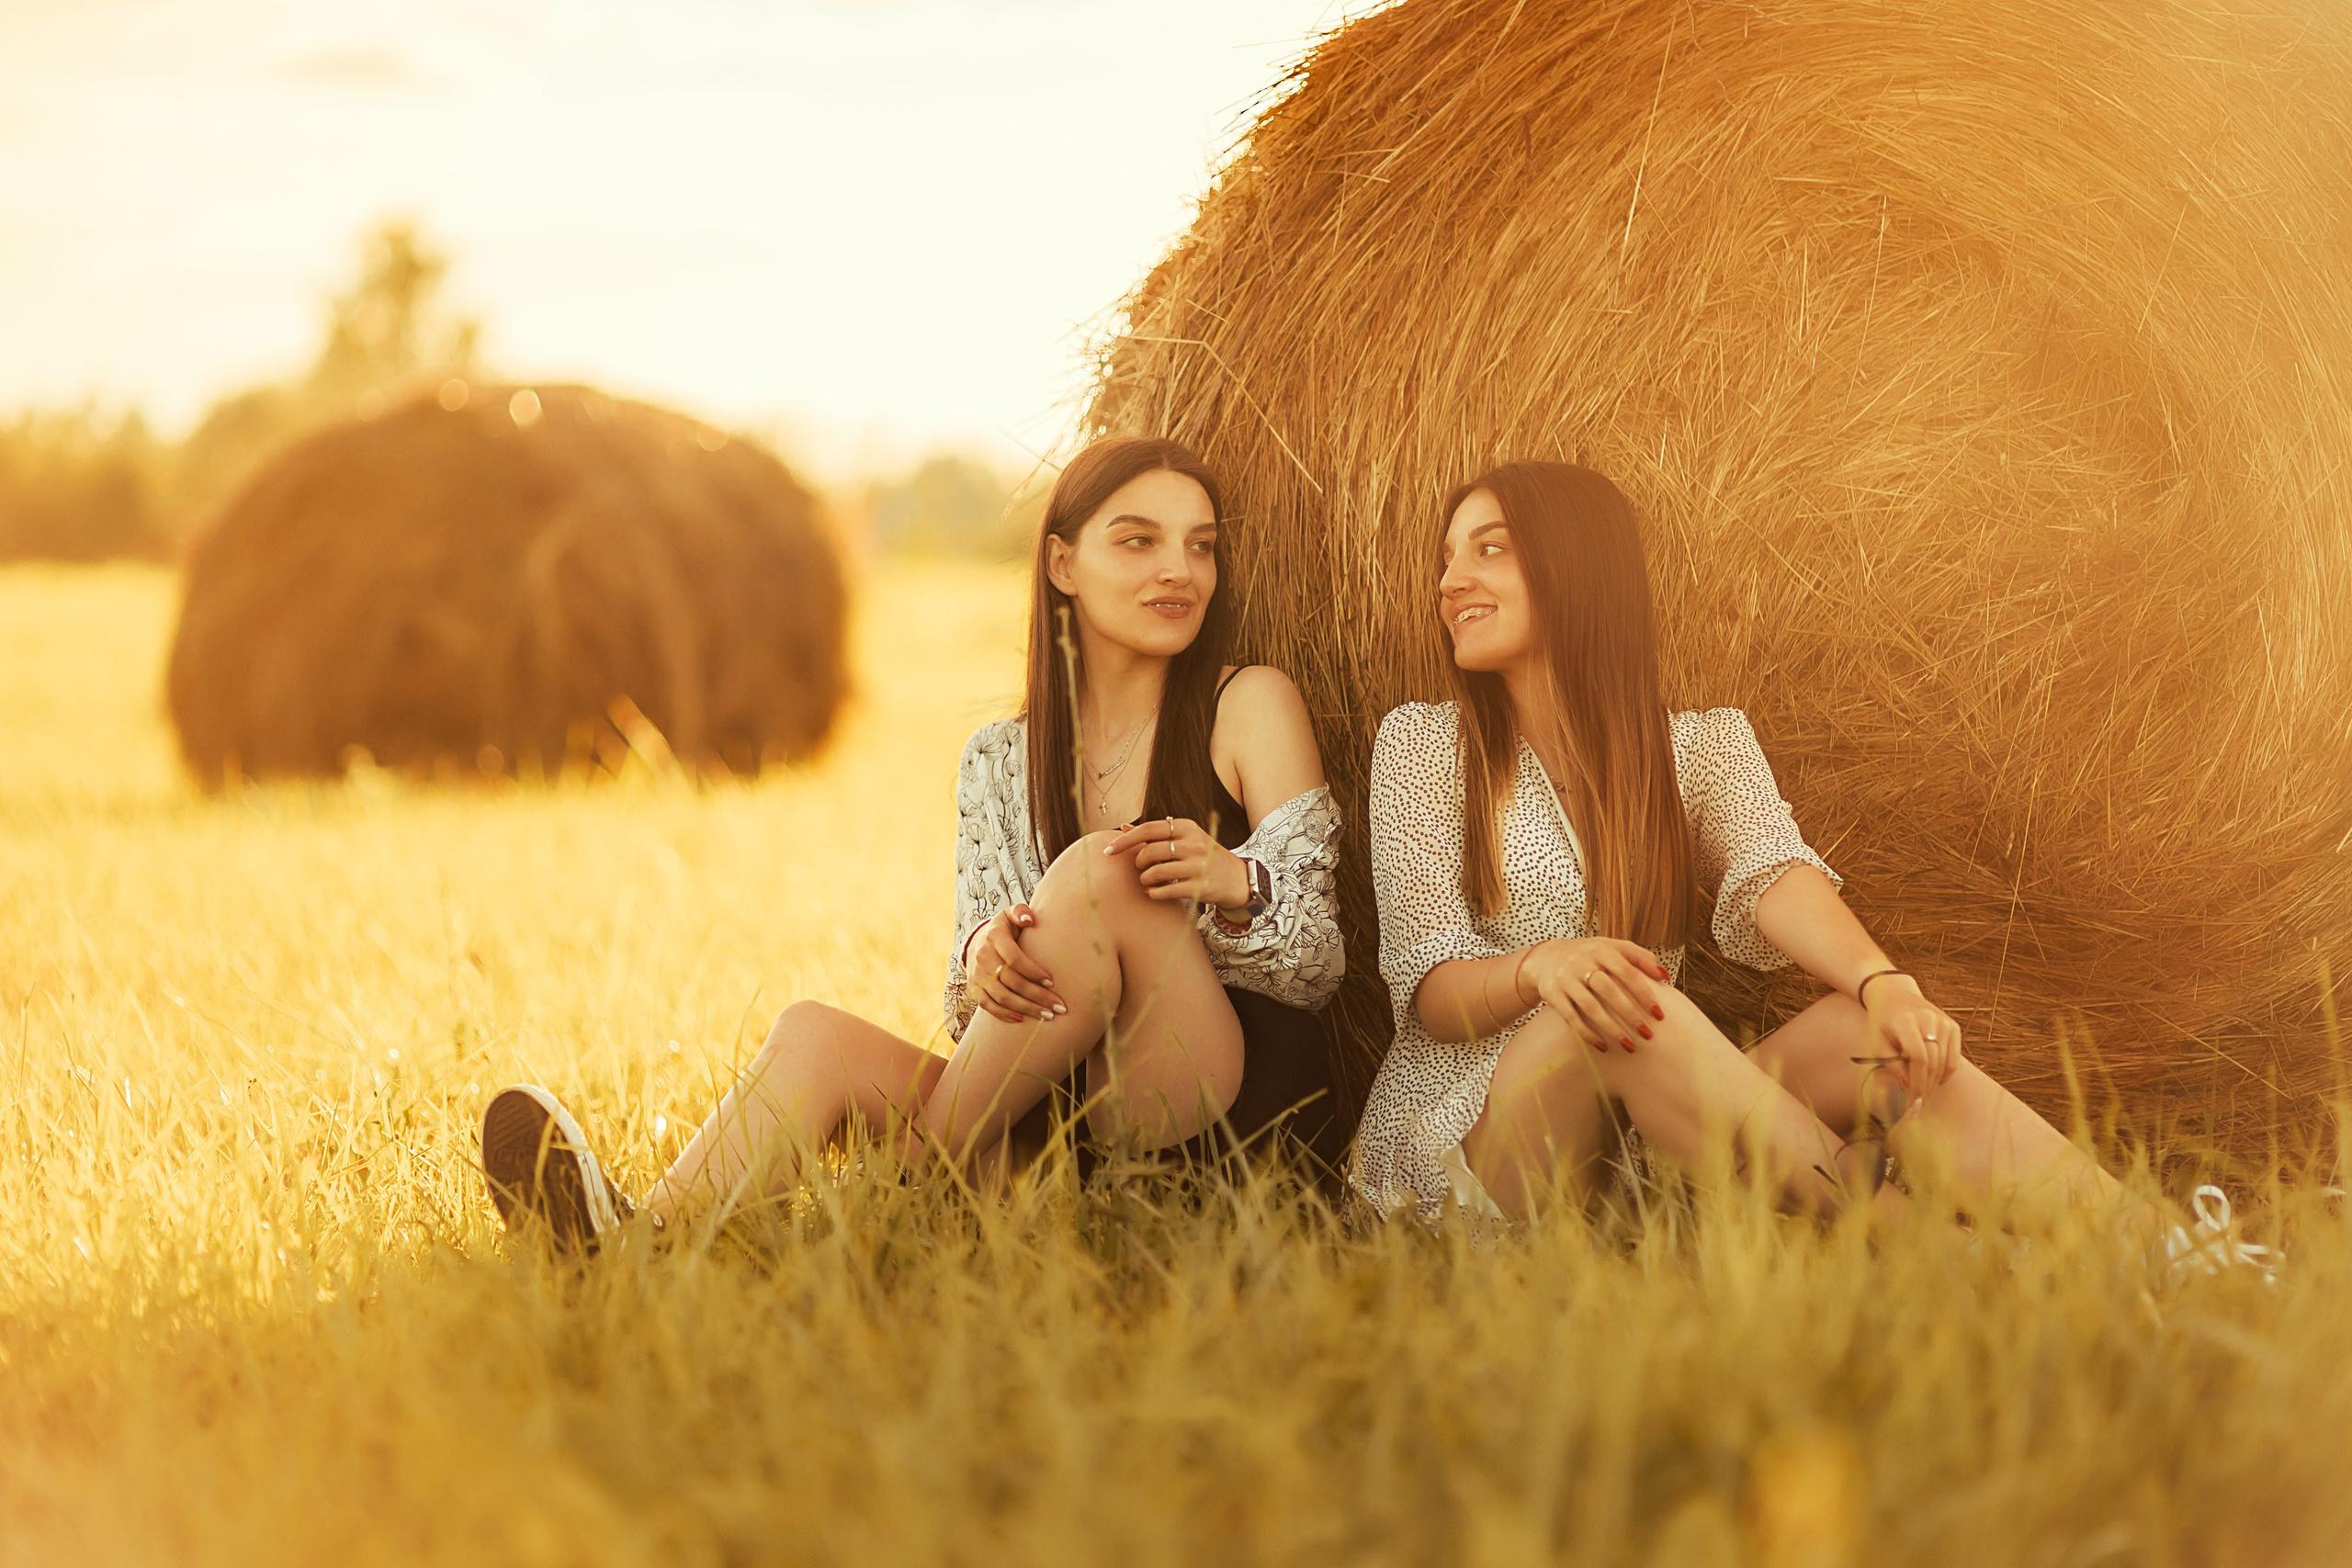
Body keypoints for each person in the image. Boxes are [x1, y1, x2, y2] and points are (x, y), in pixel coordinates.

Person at [480, 435, 1346, 1250]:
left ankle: (904, 1191)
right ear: (1061, 563)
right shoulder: (1000, 760)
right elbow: (977, 1020)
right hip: (1069, 1117)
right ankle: (635, 1242)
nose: (1178, 570)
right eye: (1138, 541)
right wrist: (982, 959)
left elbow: (1321, 962)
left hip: (1224, 1113)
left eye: (1201, 546)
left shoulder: (1250, 704)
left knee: (1100, 873)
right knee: (813, 1034)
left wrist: (1237, 880)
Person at [1351, 459, 2133, 1224]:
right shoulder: (1423, 747)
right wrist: (1542, 968)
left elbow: (1776, 875)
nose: (1450, 581)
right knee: (1625, 1008)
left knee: (1870, 1035)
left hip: (1637, 1151)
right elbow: (1432, 996)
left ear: (1576, 563)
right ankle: (1930, 1254)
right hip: (1467, 1151)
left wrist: (1884, 983)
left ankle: (2169, 1251)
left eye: (1488, 548)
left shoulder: (1699, 750)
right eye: (1448, 557)